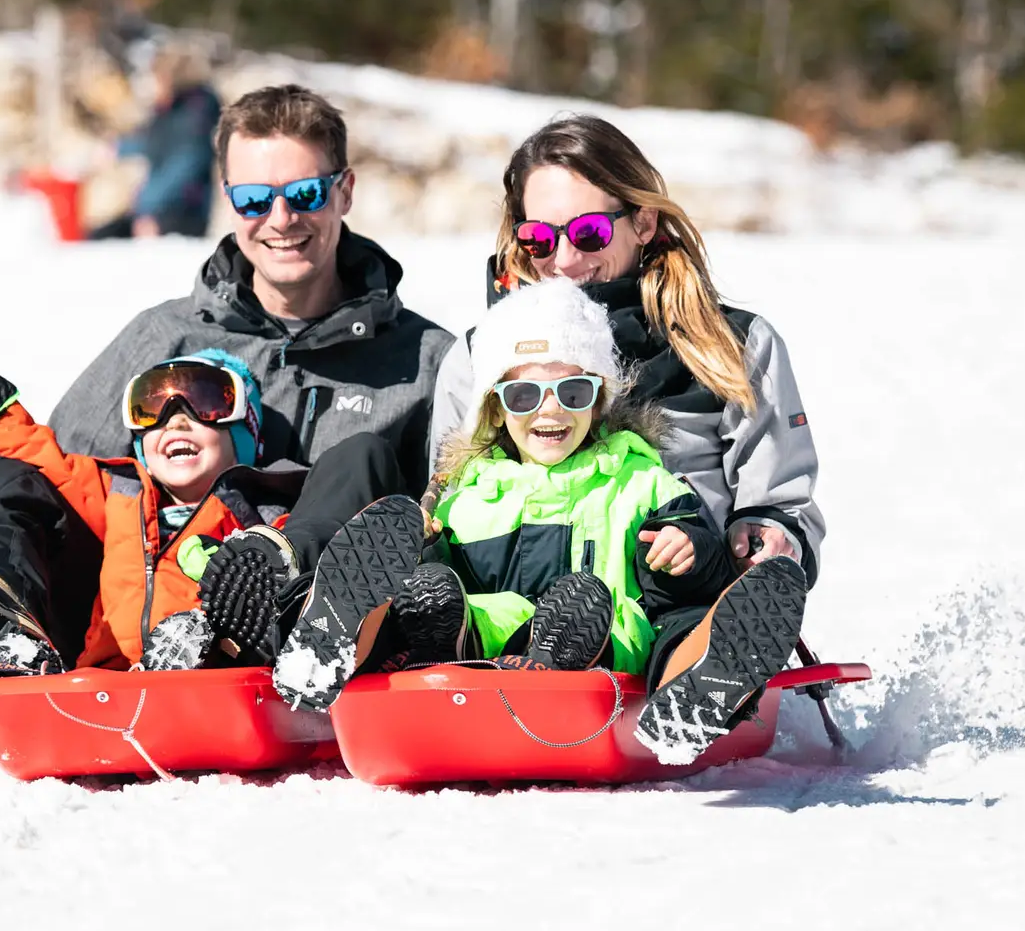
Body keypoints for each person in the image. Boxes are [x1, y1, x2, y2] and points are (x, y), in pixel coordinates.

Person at [0, 84, 450, 671]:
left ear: (345, 191)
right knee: (3, 475)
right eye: (255, 199)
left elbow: (467, 509)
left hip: (315, 642)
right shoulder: (165, 337)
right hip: (145, 621)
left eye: (305, 193)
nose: (281, 219)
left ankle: (295, 619)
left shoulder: (423, 360)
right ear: (229, 200)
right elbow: (63, 478)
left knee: (364, 460)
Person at [271, 281, 811, 767]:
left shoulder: (641, 479)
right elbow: (451, 578)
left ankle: (695, 688)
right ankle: (332, 644)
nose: (549, 411)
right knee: (427, 591)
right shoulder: (472, 492)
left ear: (598, 399)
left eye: (572, 393)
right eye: (524, 395)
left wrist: (687, 553)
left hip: (609, 638)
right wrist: (426, 552)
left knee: (641, 614)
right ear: (496, 408)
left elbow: (689, 578)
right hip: (487, 641)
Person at [429, 114, 824, 591]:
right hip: (510, 607)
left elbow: (782, 499)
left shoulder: (730, 345)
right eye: (539, 238)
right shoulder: (477, 358)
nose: (565, 260)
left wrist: (772, 533)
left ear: (643, 220)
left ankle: (714, 653)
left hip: (676, 606)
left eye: (590, 233)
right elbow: (448, 487)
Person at [0, 348, 409, 677]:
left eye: (207, 402)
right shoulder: (119, 494)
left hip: (229, 662)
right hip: (108, 673)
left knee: (346, 469)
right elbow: (39, 459)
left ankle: (276, 632)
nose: (176, 418)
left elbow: (302, 523)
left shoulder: (264, 506)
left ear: (246, 433)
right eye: (154, 405)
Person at [89, 42, 222, 241]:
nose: (154, 85)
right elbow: (152, 140)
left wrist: (148, 208)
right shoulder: (169, 110)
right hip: (156, 210)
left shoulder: (195, 114)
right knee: (97, 236)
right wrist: (118, 148)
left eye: (158, 77)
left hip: (182, 215)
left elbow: (186, 165)